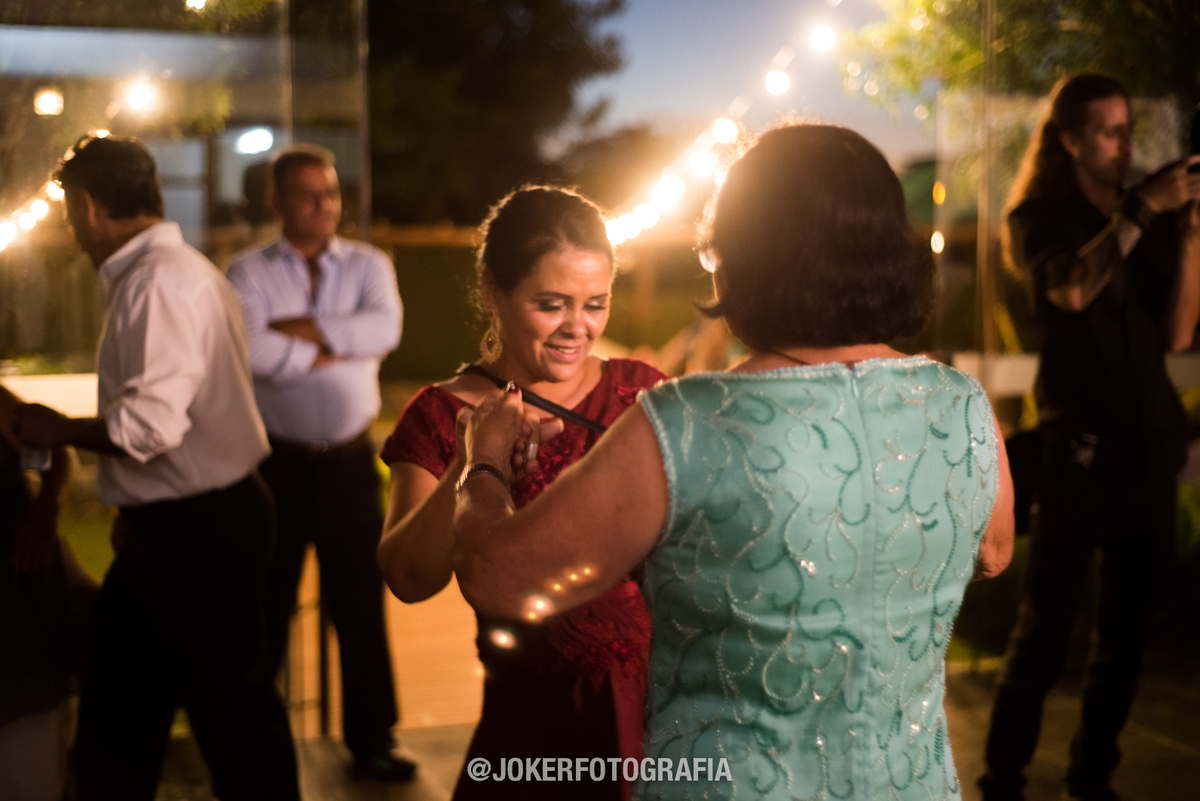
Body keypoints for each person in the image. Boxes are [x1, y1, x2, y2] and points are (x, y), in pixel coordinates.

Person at [449, 124, 1016, 801]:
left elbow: (499, 577)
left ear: (745, 258)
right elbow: (994, 551)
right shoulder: (961, 403)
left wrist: (483, 460)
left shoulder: (689, 422)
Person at [11, 134, 300, 801]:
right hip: (187, 522)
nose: (71, 230)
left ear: (89, 207)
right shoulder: (171, 272)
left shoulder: (158, 283)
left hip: (201, 531)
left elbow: (150, 428)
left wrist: (60, 429)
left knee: (226, 715)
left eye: (69, 213)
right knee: (136, 710)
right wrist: (139, 509)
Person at [376, 185, 668, 800]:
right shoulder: (442, 413)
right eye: (551, 304)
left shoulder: (642, 393)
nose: (577, 327)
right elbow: (407, 577)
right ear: (492, 291)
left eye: (595, 304)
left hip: (656, 708)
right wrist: (472, 460)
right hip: (532, 720)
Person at [979, 74, 1200, 801]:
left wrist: (1191, 232)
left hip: (1148, 453)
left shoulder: (1151, 216)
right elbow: (1073, 288)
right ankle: (1003, 780)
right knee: (1044, 637)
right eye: (1110, 130)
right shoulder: (1039, 217)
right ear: (1070, 140)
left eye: (1129, 128)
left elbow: (1178, 331)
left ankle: (1091, 778)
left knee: (1127, 640)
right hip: (1080, 453)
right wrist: (1142, 208)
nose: (1125, 144)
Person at [225, 145, 411, 781]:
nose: (324, 204)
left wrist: (298, 330)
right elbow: (250, 349)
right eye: (308, 194)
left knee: (360, 607)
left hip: (351, 468)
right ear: (276, 202)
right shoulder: (247, 272)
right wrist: (337, 341)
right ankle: (253, 747)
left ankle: (373, 740)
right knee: (266, 609)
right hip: (278, 466)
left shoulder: (369, 264)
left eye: (330, 192)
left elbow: (384, 332)